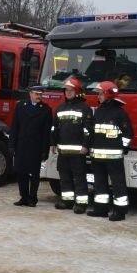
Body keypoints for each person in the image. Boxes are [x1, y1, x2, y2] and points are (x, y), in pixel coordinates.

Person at [87, 81, 133, 221]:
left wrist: (123, 148)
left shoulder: (119, 113)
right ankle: (101, 209)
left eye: (100, 93)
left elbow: (128, 133)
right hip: (98, 156)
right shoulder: (99, 111)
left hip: (114, 157)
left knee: (118, 184)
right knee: (99, 184)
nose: (98, 96)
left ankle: (120, 211)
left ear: (108, 94)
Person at [51, 77, 93, 213]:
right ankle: (67, 201)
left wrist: (85, 146)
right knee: (64, 177)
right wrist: (52, 143)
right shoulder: (60, 108)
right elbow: (54, 128)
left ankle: (81, 204)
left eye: (71, 90)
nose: (68, 93)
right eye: (66, 90)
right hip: (63, 151)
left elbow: (88, 130)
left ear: (77, 92)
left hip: (78, 152)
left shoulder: (85, 109)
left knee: (79, 178)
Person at [9, 85, 52, 207]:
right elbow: (15, 127)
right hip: (21, 145)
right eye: (36, 94)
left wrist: (45, 150)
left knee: (34, 174)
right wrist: (11, 145)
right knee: (21, 172)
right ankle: (24, 196)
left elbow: (46, 133)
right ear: (30, 94)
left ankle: (33, 198)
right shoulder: (20, 106)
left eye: (40, 94)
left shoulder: (45, 110)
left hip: (36, 147)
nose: (39, 96)